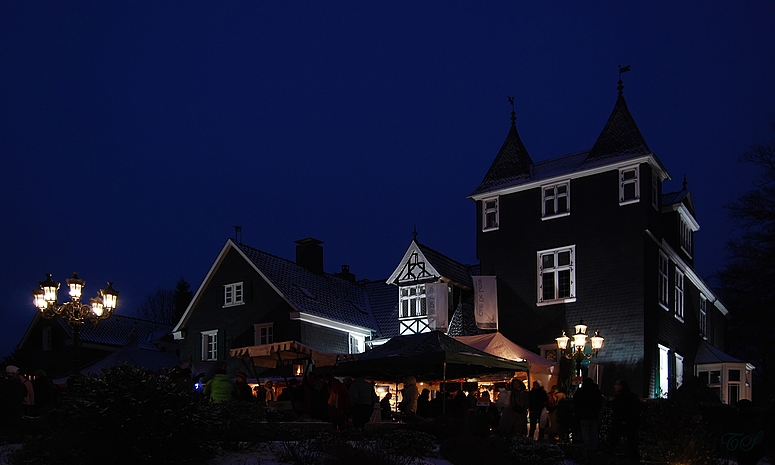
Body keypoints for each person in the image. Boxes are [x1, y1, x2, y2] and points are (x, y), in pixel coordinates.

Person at [610, 379, 642, 462]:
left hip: (621, 421)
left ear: (622, 386)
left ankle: (609, 454)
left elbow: (616, 409)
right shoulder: (632, 396)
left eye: (617, 385)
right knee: (632, 440)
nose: (615, 387)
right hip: (631, 422)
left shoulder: (620, 397)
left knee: (614, 439)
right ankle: (634, 457)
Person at [573, 377, 605, 458]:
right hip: (594, 416)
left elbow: (576, 403)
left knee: (585, 433)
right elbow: (600, 403)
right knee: (594, 432)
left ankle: (587, 448)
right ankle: (593, 448)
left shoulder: (580, 392)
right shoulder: (596, 392)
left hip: (583, 416)